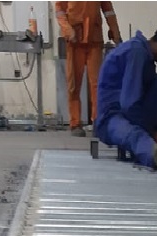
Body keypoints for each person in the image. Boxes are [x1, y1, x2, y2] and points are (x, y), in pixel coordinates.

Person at [95, 18, 157, 174]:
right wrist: (153, 134)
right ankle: (153, 153)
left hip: (129, 114)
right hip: (110, 119)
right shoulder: (136, 52)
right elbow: (128, 105)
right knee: (134, 135)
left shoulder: (145, 56)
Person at [56, 2, 122, 137]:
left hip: (94, 39)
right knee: (74, 84)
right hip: (75, 40)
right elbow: (59, 10)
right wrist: (67, 30)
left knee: (97, 84)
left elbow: (108, 11)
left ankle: (98, 121)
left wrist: (115, 33)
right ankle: (75, 123)